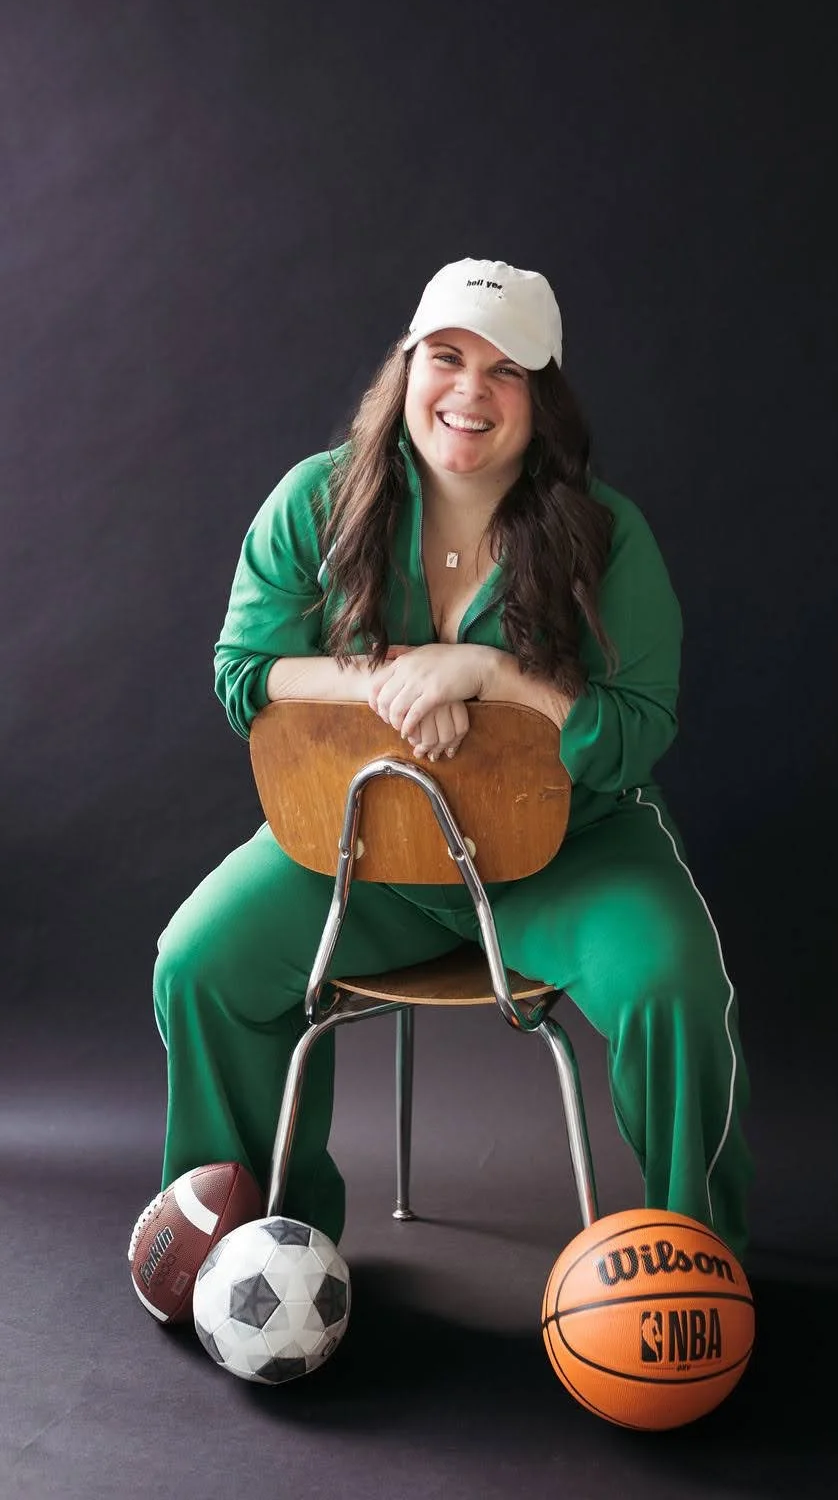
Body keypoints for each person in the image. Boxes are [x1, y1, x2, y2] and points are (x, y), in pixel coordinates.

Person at [153, 258, 753, 1260]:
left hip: (568, 854)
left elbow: (637, 730)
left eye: (506, 369)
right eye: (446, 356)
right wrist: (388, 679)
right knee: (199, 964)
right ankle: (248, 1246)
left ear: (542, 397)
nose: (470, 390)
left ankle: (697, 1258)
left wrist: (488, 672)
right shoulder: (315, 500)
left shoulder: (607, 535)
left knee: (674, 989)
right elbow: (243, 676)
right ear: (407, 366)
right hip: (362, 857)